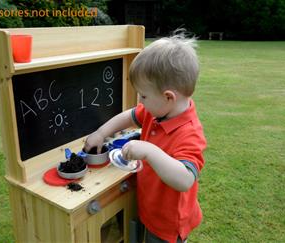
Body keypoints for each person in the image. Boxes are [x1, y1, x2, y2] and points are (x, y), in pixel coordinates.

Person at [85, 30, 207, 243]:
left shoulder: (189, 132)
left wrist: (150, 151)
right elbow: (128, 116)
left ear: (168, 97)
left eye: (143, 95)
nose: (140, 102)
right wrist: (101, 132)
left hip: (168, 226)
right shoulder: (157, 111)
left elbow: (185, 179)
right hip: (149, 209)